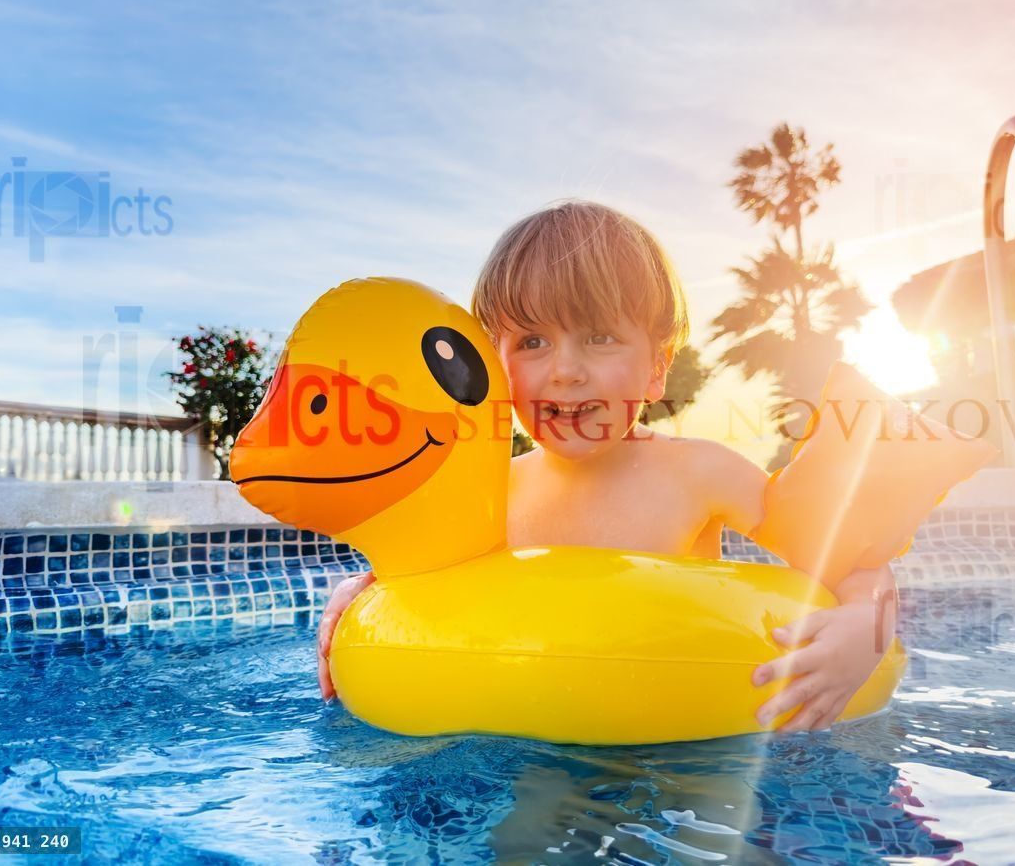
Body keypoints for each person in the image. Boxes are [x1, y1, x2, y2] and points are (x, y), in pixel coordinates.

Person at [316, 200, 898, 732]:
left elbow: (852, 556)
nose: (565, 370)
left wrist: (865, 630)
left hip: (678, 742)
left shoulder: (700, 473)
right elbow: (428, 583)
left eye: (599, 338)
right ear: (494, 364)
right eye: (532, 343)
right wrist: (364, 594)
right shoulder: (492, 490)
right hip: (528, 726)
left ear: (656, 367)